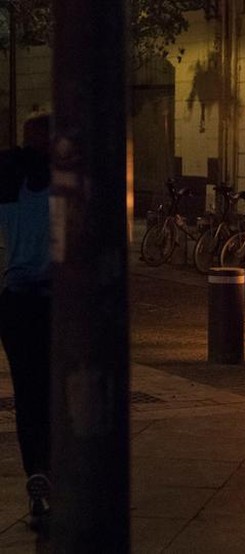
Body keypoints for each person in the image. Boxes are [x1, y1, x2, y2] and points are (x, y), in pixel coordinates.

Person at [0, 114, 53, 532]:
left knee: (28, 393)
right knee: (58, 390)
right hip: (57, 302)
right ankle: (55, 468)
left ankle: (37, 469)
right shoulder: (63, 184)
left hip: (16, 301)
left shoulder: (9, 181)